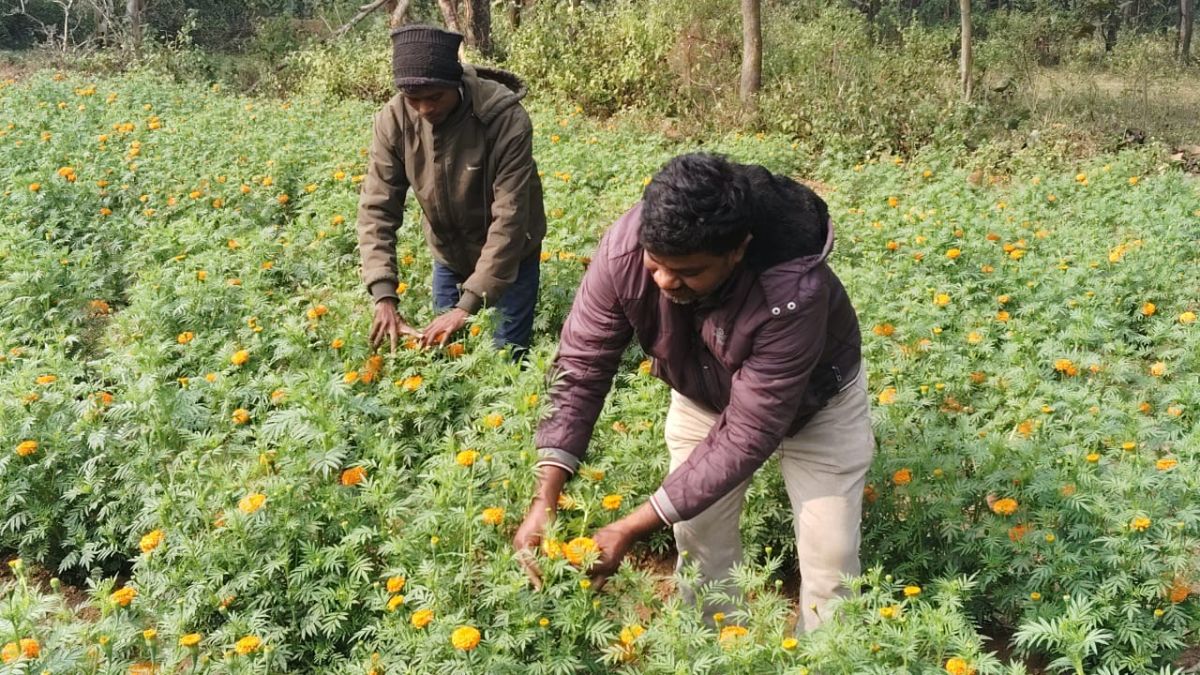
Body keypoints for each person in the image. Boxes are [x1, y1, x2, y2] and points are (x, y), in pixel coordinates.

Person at [513, 153, 874, 632]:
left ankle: (829, 657)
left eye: (688, 271)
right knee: (699, 537)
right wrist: (547, 495)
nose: (664, 281)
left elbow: (749, 432)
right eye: (656, 264)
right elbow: (581, 366)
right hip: (703, 395)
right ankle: (713, 649)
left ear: (737, 250)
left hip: (818, 406)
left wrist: (629, 527)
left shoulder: (790, 291)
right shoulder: (626, 251)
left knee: (831, 558)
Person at [357, 24, 546, 355]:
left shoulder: (504, 119)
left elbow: (510, 217)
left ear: (455, 83)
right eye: (414, 99)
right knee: (444, 356)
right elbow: (377, 207)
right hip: (449, 254)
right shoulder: (394, 120)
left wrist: (467, 306)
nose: (425, 109)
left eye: (435, 97)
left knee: (506, 357)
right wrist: (383, 294)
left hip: (512, 257)